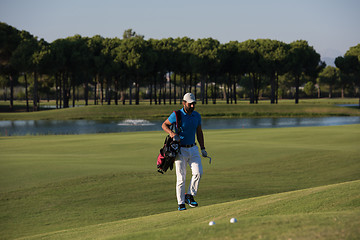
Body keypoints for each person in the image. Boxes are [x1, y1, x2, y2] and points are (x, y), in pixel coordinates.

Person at [161, 92, 208, 211]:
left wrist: (203, 148)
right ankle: (181, 203)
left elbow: (199, 132)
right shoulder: (177, 114)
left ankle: (189, 195)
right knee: (181, 178)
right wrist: (172, 133)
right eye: (190, 104)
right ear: (184, 103)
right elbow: (164, 125)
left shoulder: (197, 115)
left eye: (194, 104)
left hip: (193, 148)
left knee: (198, 173)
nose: (192, 106)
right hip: (180, 150)